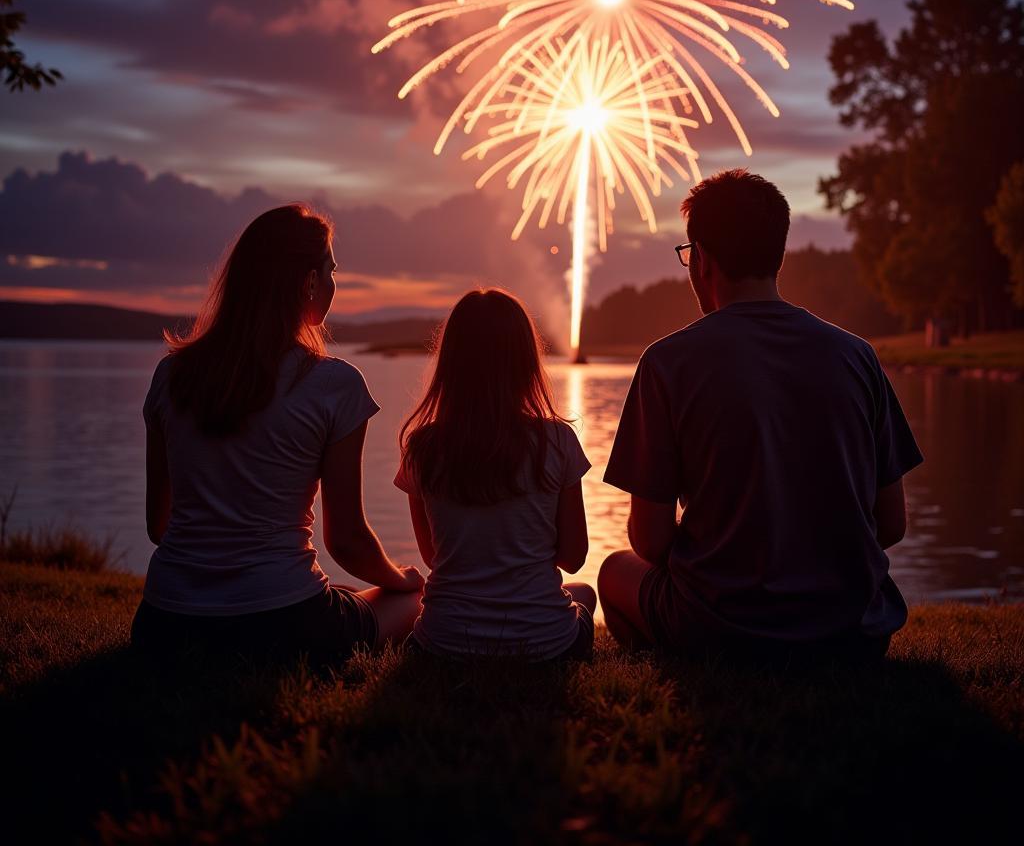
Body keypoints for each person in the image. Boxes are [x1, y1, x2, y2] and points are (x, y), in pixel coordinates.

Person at [598, 170, 923, 661]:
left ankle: (677, 664)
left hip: (722, 629)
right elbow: (891, 524)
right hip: (854, 631)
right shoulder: (857, 357)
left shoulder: (667, 364)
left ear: (700, 260)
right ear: (779, 256)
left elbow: (651, 540)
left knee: (613, 570)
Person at [131, 204, 423, 663]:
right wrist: (400, 578)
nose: (332, 285)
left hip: (164, 623)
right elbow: (345, 540)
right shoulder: (334, 385)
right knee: (412, 602)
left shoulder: (172, 376)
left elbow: (159, 526)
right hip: (283, 623)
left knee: (344, 592)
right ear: (308, 282)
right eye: (330, 271)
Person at [395, 288, 596, 661]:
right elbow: (573, 557)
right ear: (526, 363)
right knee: (584, 593)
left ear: (450, 364)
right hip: (545, 643)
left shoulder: (423, 447)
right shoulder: (558, 440)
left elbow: (433, 556)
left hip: (443, 644)